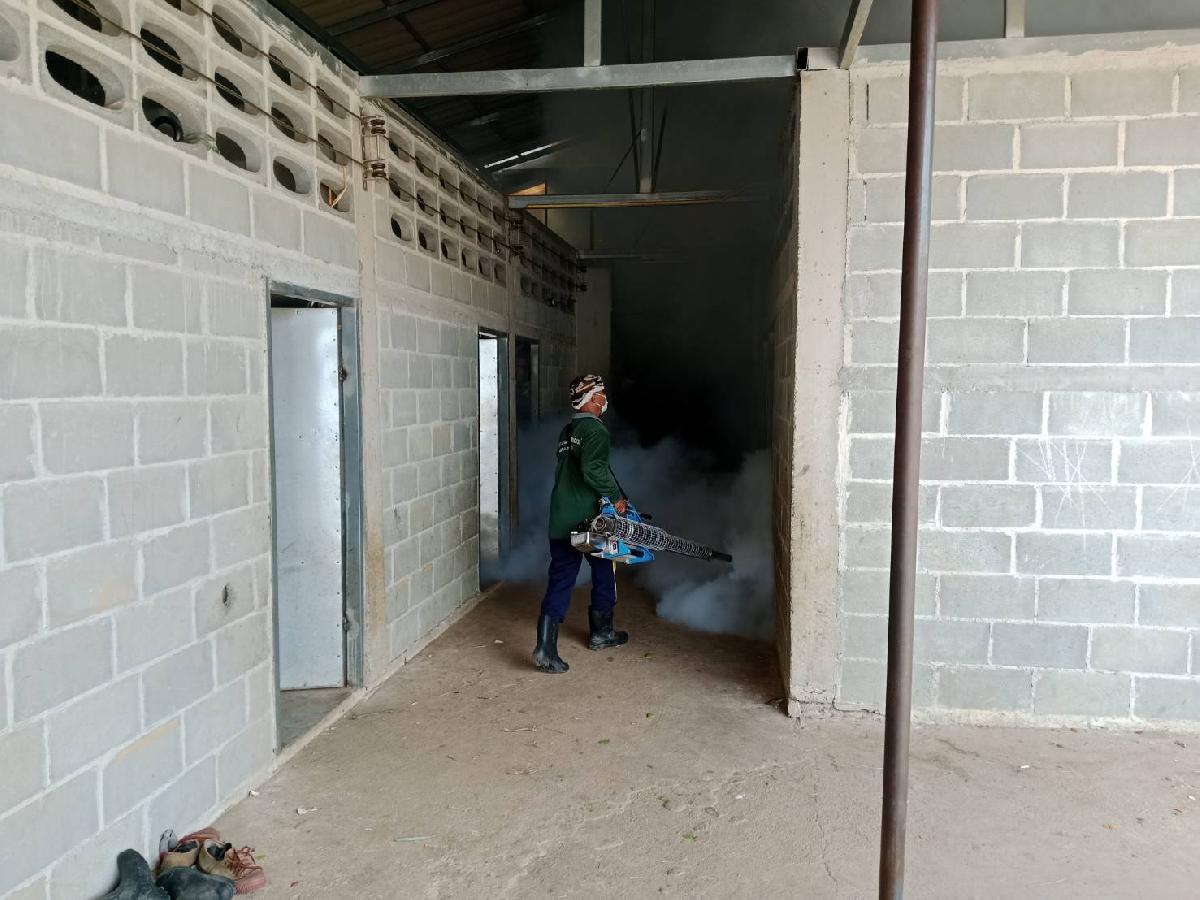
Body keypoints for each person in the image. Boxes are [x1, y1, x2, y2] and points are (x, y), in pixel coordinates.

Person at [533, 374, 631, 673]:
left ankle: (546, 649)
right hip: (591, 521)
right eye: (601, 394)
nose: (604, 399)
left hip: (562, 517)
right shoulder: (595, 430)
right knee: (604, 570)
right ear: (591, 398)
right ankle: (602, 633)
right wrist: (617, 498)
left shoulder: (567, 431)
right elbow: (593, 471)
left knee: (561, 579)